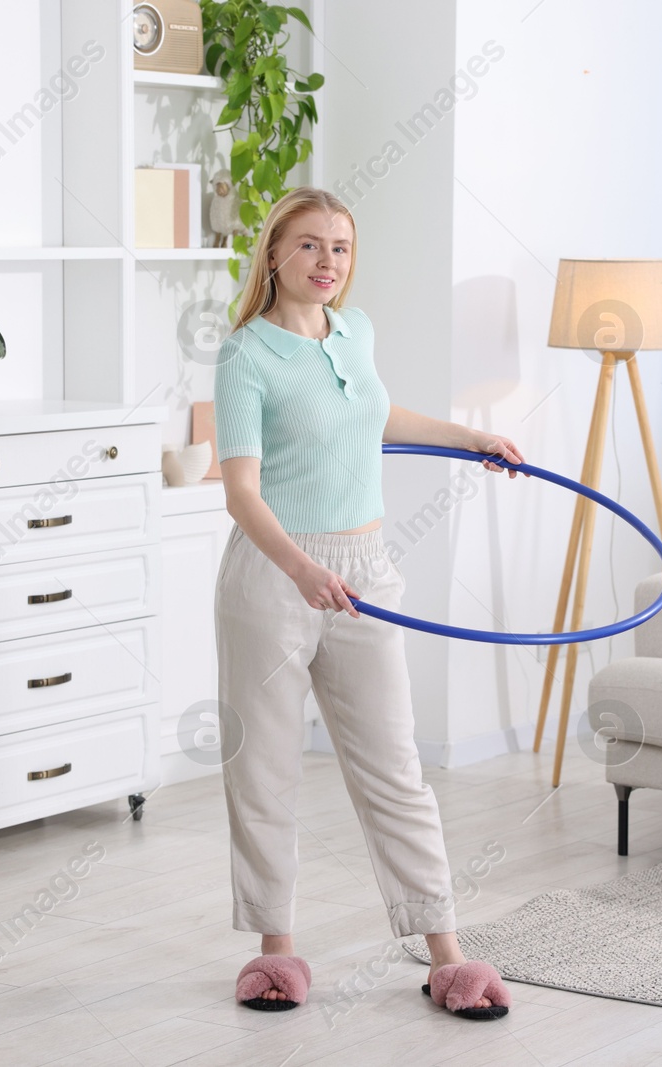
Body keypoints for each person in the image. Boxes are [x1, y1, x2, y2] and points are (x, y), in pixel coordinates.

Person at [212, 186, 523, 1020]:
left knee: (396, 768)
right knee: (266, 766)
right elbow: (241, 490)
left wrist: (473, 439)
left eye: (341, 248)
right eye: (309, 245)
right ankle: (276, 952)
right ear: (275, 253)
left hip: (364, 567)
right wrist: (298, 570)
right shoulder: (246, 355)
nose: (327, 263)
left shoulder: (358, 332)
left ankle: (446, 954)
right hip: (274, 573)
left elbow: (374, 420)